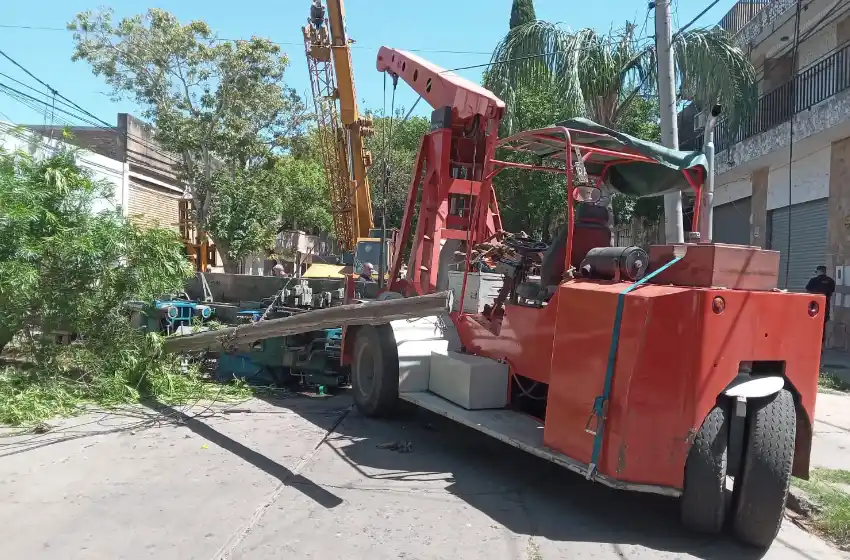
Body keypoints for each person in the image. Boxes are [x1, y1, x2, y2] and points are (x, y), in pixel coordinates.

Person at [806, 266, 836, 344]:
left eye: (816, 272)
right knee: (823, 325)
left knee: (813, 323)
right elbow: (831, 292)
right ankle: (821, 344)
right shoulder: (831, 281)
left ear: (819, 271)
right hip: (826, 305)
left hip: (814, 306)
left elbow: (807, 291)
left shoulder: (813, 280)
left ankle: (812, 341)